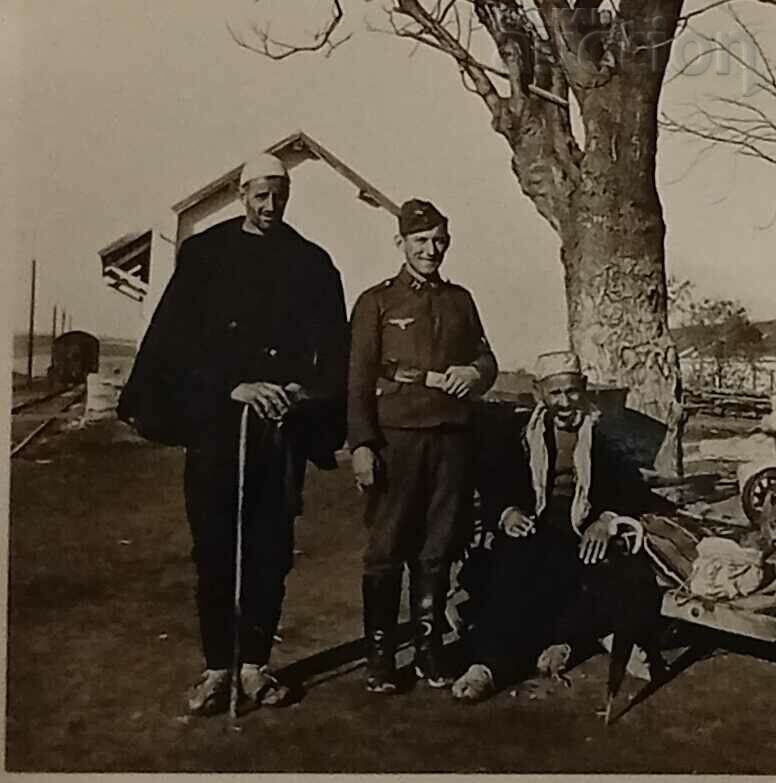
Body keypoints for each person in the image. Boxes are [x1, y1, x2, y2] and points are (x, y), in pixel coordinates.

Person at [118, 153, 349, 715]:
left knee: (269, 549)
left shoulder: (312, 263)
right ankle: (217, 667)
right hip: (216, 429)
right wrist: (232, 387)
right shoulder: (203, 257)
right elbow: (174, 348)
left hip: (280, 432)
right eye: (260, 196)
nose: (270, 207)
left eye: (279, 196)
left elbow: (335, 358)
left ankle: (254, 667)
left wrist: (299, 393)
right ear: (241, 194)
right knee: (215, 548)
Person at [452, 350, 666, 702]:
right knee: (511, 568)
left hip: (583, 528)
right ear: (540, 393)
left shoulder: (605, 431)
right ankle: (487, 665)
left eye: (571, 392)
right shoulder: (518, 432)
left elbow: (632, 488)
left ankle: (574, 640)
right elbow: (493, 482)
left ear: (583, 388)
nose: (565, 403)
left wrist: (606, 518)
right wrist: (506, 512)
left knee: (611, 570)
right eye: (556, 394)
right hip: (536, 527)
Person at [348, 198, 498, 694]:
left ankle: (429, 652)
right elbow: (357, 377)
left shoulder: (460, 300)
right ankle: (379, 657)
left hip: (451, 439)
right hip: (397, 438)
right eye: (420, 242)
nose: (431, 250)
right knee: (387, 548)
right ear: (401, 244)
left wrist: (474, 373)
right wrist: (363, 444)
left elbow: (485, 356)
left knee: (438, 549)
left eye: (438, 241)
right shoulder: (377, 301)